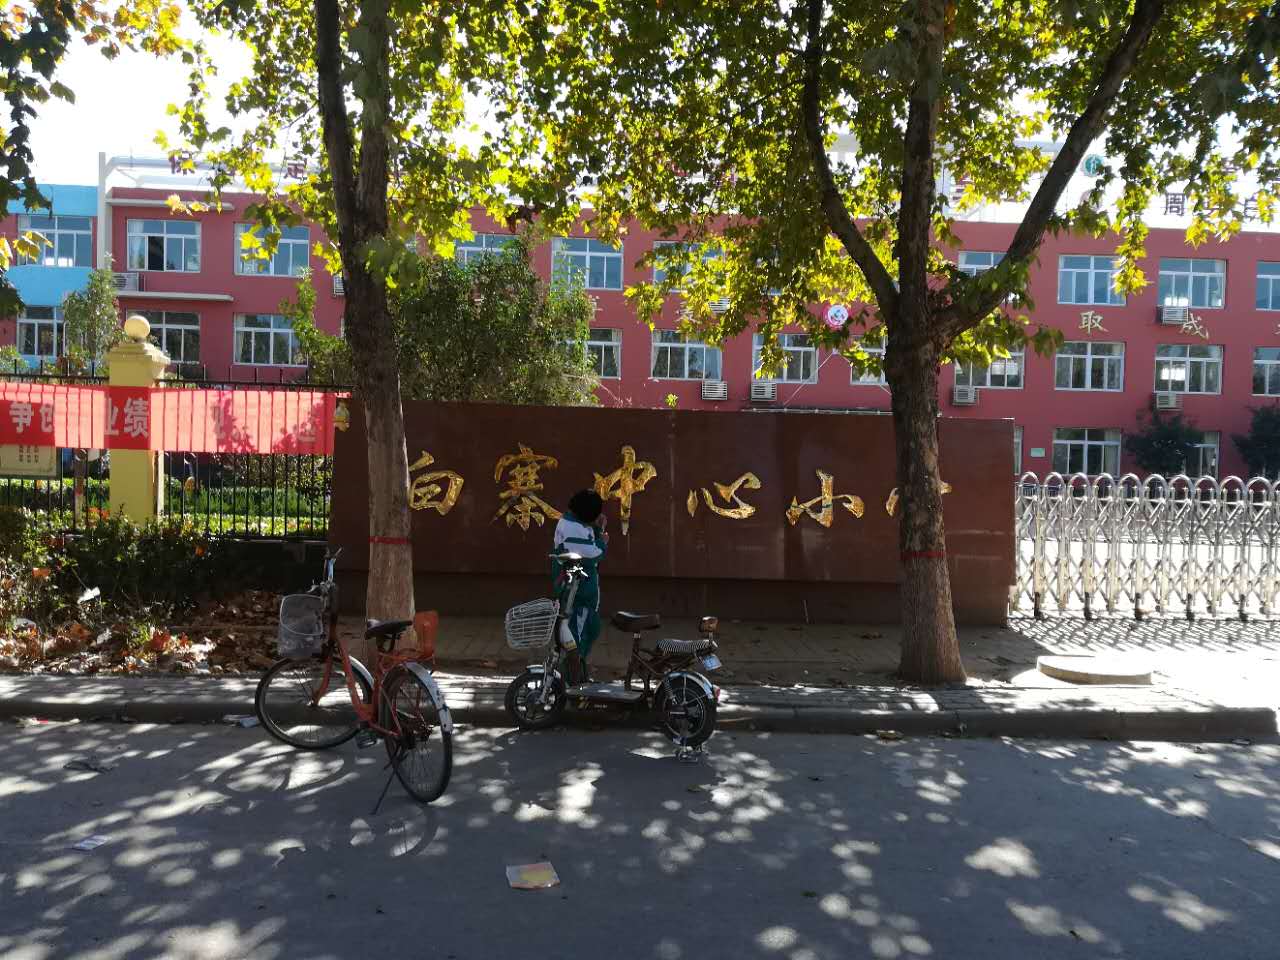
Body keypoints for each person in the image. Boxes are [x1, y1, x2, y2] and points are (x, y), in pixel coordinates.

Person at [551, 489, 608, 684]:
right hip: (578, 593)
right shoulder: (573, 528)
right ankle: (573, 682)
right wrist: (603, 542)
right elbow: (592, 554)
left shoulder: (573, 523)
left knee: (585, 631)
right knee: (580, 636)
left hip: (578, 591)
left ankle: (576, 676)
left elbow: (586, 543)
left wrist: (597, 529)